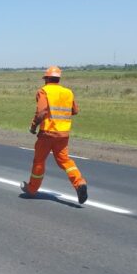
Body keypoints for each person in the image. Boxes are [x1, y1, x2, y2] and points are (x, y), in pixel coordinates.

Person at [21, 66, 88, 204]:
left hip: (47, 133)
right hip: (63, 135)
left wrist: (33, 126)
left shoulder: (44, 91)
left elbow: (41, 112)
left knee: (39, 161)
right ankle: (80, 183)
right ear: (58, 79)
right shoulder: (68, 92)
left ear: (46, 78)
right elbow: (75, 110)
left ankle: (32, 188)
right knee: (65, 161)